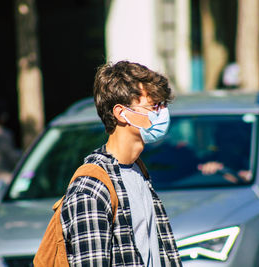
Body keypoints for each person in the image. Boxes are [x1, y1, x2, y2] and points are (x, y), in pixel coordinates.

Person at [61, 61, 182, 266]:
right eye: (153, 106)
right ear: (121, 113)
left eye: (162, 106)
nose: (162, 114)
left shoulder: (137, 170)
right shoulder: (91, 188)